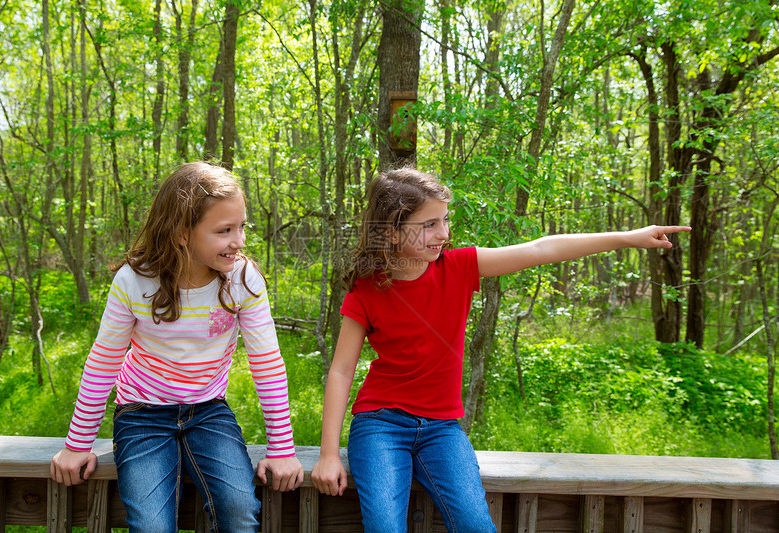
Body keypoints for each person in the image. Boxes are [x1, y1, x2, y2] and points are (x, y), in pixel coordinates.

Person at [310, 167, 690, 533]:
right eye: (429, 224)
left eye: (445, 220)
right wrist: (329, 454)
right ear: (391, 231)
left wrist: (628, 237)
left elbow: (542, 248)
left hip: (442, 429)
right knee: (383, 527)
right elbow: (342, 371)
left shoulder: (457, 267)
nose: (443, 233)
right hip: (380, 424)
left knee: (476, 524)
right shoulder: (368, 289)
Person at [51, 162, 304, 533]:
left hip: (208, 410)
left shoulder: (243, 280)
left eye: (242, 227)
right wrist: (78, 443)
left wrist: (282, 450)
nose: (239, 240)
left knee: (238, 509)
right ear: (182, 233)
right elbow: (104, 360)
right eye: (224, 231)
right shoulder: (135, 280)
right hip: (142, 414)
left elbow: (266, 363)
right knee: (151, 525)